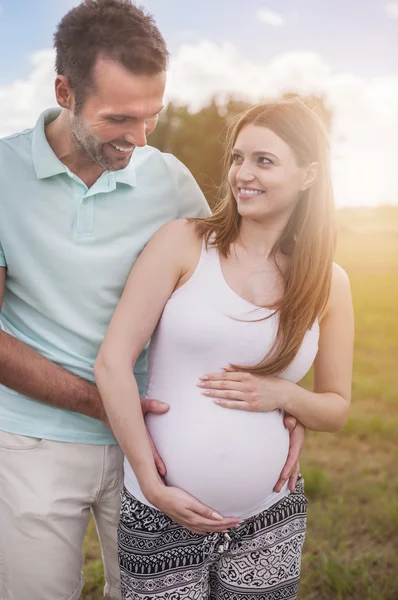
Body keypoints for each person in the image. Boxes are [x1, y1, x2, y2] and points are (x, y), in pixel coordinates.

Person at [0, 1, 303, 599]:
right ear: (64, 90)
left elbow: (232, 296)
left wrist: (283, 403)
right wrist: (107, 404)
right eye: (118, 118)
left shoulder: (168, 180)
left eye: (152, 116)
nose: (139, 138)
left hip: (163, 444)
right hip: (33, 441)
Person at [95, 98, 354, 600]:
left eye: (264, 160)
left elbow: (336, 409)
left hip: (269, 517)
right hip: (161, 512)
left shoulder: (329, 283)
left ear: (308, 176)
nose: (242, 174)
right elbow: (112, 363)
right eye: (238, 158)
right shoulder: (183, 243)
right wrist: (152, 486)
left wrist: (284, 395)